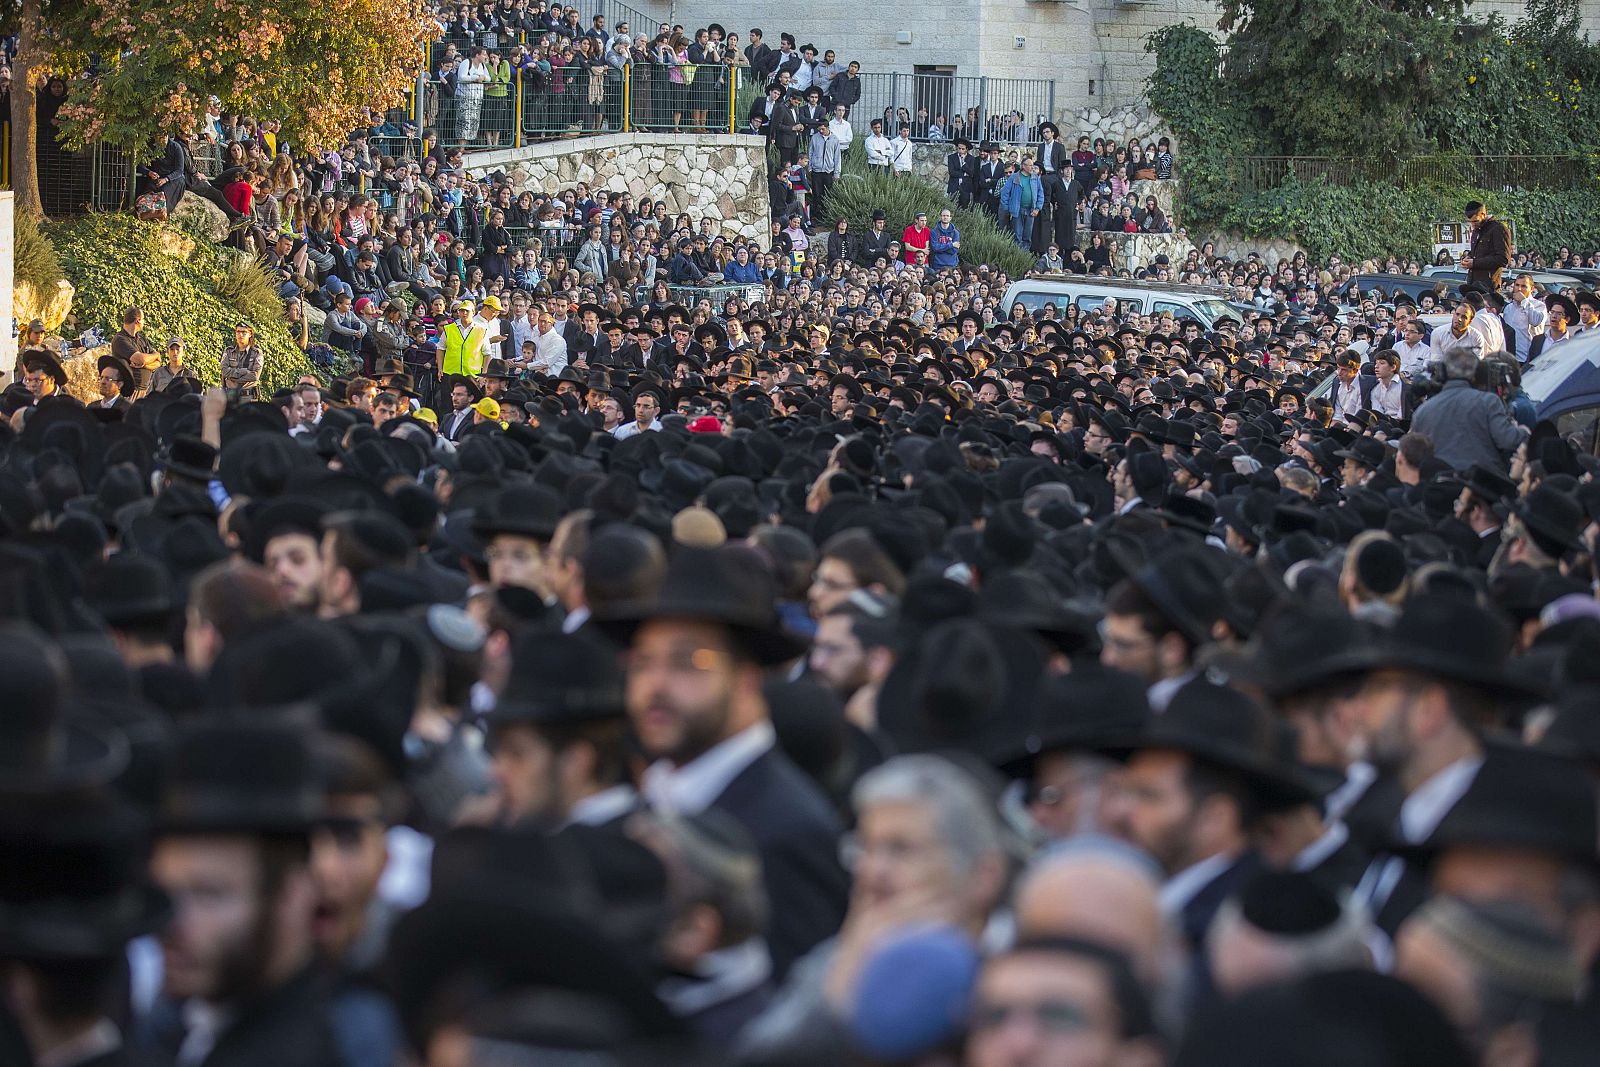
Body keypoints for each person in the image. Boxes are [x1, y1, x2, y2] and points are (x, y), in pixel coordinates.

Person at [601, 545, 849, 979]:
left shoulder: (788, 829)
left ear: (747, 679)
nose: (655, 685)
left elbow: (788, 1007)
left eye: (688, 662)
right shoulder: (644, 793)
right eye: (643, 662)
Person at [1409, 348, 1527, 471]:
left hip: (1438, 484)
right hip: (1481, 484)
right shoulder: (1488, 402)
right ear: (1476, 374)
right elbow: (1509, 440)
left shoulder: (1423, 410)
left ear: (1443, 373)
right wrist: (1522, 431)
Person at [1460, 200, 1510, 290]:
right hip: (1473, 284)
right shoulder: (1476, 230)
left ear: (1483, 214)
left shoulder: (1498, 229)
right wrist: (1468, 258)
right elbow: (1479, 252)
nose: (1472, 225)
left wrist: (1475, 263)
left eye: (1475, 221)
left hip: (1488, 286)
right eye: (1470, 222)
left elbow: (1503, 259)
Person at [220, 321, 263, 399]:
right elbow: (224, 371)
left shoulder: (256, 353)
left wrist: (233, 378)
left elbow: (255, 376)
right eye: (238, 332)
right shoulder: (228, 351)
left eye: (244, 332)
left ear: (250, 334)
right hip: (230, 397)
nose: (240, 335)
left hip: (248, 397)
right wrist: (244, 372)